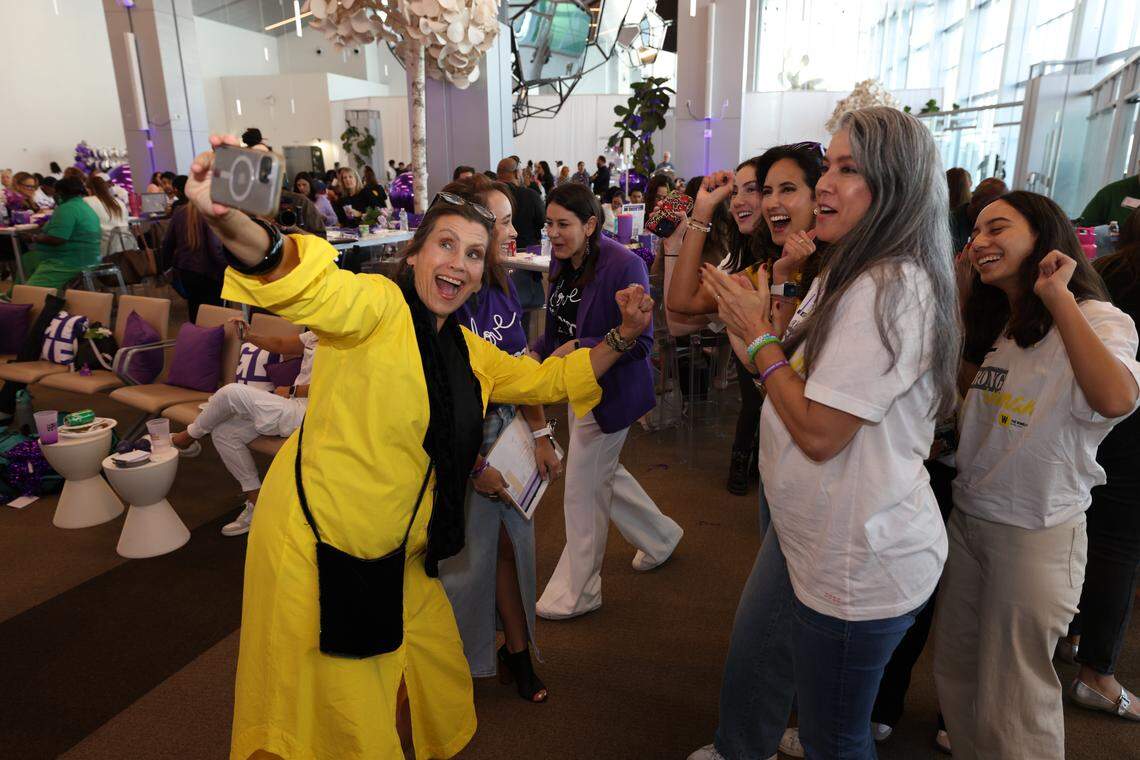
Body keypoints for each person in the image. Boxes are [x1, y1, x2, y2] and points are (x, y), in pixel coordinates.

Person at [186, 132, 654, 760]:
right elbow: (304, 281)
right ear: (414, 253)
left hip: (401, 551)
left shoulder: (466, 350)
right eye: (446, 244)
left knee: (431, 670)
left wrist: (623, 335)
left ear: (483, 274)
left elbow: (547, 380)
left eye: (474, 254)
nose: (458, 264)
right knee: (344, 718)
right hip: (327, 546)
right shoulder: (376, 308)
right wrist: (234, 223)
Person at [689, 107, 961, 760]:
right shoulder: (850, 271)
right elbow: (788, 385)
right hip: (814, 527)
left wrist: (759, 335)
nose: (826, 184)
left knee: (832, 738)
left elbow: (817, 430)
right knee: (765, 655)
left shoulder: (890, 288)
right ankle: (739, 746)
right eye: (829, 166)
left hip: (856, 556)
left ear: (893, 186)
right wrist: (753, 331)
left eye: (847, 169)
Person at [935, 192, 1140, 759]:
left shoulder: (1099, 318)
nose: (979, 242)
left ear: (1043, 235)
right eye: (976, 231)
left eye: (997, 228)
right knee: (959, 677)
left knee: (1016, 703)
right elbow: (982, 402)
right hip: (972, 519)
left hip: (1035, 529)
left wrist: (1058, 297)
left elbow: (1117, 398)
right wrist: (961, 302)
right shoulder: (1009, 324)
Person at [435, 175, 560, 704]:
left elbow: (519, 370)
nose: (515, 232)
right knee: (463, 563)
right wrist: (471, 465)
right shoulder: (445, 298)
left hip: (505, 434)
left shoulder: (501, 284)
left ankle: (516, 650)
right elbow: (437, 402)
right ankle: (460, 665)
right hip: (460, 443)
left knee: (511, 548)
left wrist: (541, 431)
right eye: (504, 222)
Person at [533, 182, 683, 620]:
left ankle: (581, 590)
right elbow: (559, 325)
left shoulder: (625, 264)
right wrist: (537, 350)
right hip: (578, 388)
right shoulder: (563, 261)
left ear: (590, 224)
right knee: (603, 474)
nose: (553, 233)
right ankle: (660, 537)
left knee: (583, 490)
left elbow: (641, 343)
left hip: (610, 395)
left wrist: (581, 346)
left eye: (563, 224)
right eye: (549, 224)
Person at [668, 144, 825, 496]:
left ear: (818, 197)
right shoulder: (762, 272)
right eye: (766, 191)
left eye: (785, 189)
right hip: (782, 460)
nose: (769, 202)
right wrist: (702, 211)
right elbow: (680, 303)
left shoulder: (841, 273)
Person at [1063, 207, 1140, 722]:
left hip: (1091, 416)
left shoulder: (1108, 271)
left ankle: (1069, 631)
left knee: (1084, 522)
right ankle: (1097, 674)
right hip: (1126, 414)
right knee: (1119, 545)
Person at [171, 322, 318, 537]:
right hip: (293, 405)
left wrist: (293, 390)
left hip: (311, 415)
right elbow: (279, 344)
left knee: (230, 392)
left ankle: (186, 438)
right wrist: (248, 335)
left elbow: (340, 388)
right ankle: (256, 501)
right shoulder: (316, 334)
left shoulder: (348, 343)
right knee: (224, 433)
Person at [20, 176, 100, 288]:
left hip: (68, 260)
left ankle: (23, 293)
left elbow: (57, 239)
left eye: (56, 192)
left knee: (29, 292)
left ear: (61, 193)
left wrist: (33, 238)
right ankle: (14, 292)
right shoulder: (83, 206)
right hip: (89, 257)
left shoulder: (67, 208)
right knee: (28, 259)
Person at [161, 192, 226, 322]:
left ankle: (196, 334)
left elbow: (167, 243)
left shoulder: (180, 212)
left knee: (194, 311)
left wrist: (166, 269)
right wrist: (228, 269)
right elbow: (215, 248)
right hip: (212, 273)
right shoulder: (212, 213)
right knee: (216, 315)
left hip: (186, 271)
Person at [496, 157, 546, 313]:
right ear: (517, 173)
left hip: (497, 261)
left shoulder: (491, 198)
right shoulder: (530, 196)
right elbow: (542, 222)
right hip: (527, 259)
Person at [950, 177, 1007, 254]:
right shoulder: (950, 224)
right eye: (992, 204)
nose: (998, 211)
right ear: (975, 200)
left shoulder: (995, 226)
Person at [83, 174, 130, 255]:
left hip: (102, 248)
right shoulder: (119, 202)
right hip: (125, 246)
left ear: (89, 189)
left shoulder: (86, 201)